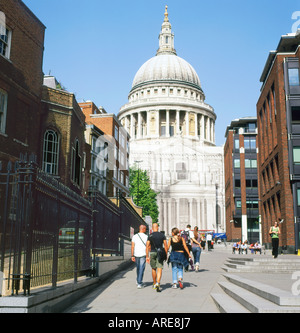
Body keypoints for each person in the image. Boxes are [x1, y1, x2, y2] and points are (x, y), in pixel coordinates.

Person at [146, 223, 168, 292]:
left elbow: (147, 246)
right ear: (158, 227)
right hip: (160, 253)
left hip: (152, 252)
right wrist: (166, 254)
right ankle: (158, 282)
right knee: (159, 268)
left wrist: (147, 256)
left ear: (152, 228)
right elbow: (165, 245)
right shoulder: (162, 235)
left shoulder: (150, 235)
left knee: (153, 268)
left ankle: (154, 283)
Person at [131, 224, 148, 289]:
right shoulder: (146, 237)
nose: (146, 230)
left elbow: (132, 246)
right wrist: (147, 255)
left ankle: (138, 280)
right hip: (143, 254)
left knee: (138, 268)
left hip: (136, 254)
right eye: (145, 229)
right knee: (141, 268)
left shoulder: (134, 236)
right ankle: (139, 282)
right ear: (143, 229)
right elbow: (147, 246)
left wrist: (132, 255)